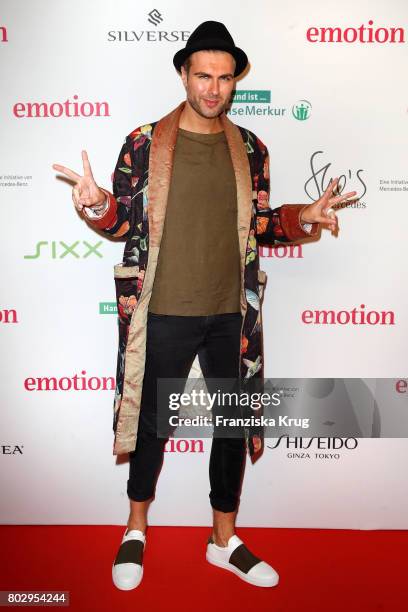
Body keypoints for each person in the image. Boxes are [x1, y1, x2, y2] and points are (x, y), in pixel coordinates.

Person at [53, 20, 357, 591]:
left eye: (224, 78)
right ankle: (136, 529)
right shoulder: (143, 143)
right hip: (163, 309)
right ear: (183, 75)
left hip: (230, 315)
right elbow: (122, 224)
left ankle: (224, 540)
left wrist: (302, 218)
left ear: (234, 80)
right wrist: (95, 206)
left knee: (230, 426)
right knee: (151, 425)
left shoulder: (250, 148)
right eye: (203, 76)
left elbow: (260, 224)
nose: (213, 89)